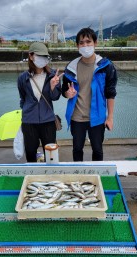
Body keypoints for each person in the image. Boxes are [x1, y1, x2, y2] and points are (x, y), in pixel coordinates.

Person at [62, 27, 117, 161]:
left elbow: (110, 93)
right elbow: (64, 90)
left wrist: (109, 117)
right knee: (77, 149)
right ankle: (78, 176)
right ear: (77, 46)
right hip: (77, 117)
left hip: (97, 117)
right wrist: (67, 94)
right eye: (81, 43)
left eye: (88, 41)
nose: (85, 45)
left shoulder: (106, 66)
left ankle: (96, 176)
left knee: (97, 150)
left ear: (95, 43)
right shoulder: (71, 67)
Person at [17, 42, 62, 162]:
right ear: (31, 56)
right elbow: (23, 98)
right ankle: (33, 177)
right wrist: (27, 112)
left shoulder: (53, 76)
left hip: (48, 121)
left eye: (45, 56)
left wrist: (53, 86)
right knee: (31, 151)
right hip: (29, 122)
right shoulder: (22, 78)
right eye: (39, 55)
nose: (43, 59)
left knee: (50, 153)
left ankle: (50, 177)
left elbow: (56, 97)